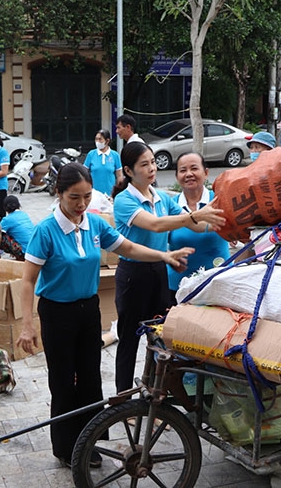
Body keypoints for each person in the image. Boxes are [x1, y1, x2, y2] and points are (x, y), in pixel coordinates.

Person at [16, 162, 194, 469]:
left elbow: (129, 248)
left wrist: (164, 255)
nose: (81, 204)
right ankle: (65, 447)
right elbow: (28, 280)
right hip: (57, 313)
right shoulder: (46, 231)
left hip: (88, 310)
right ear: (59, 194)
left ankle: (89, 442)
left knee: (90, 378)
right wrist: (27, 326)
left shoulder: (94, 224)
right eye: (74, 197)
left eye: (86, 196)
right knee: (62, 381)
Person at [112, 142, 225, 392]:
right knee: (130, 339)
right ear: (129, 171)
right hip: (133, 275)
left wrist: (220, 217)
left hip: (159, 272)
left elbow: (193, 226)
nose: (152, 168)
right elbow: (155, 225)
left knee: (161, 335)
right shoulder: (124, 201)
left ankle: (156, 392)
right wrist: (196, 215)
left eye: (153, 162)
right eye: (145, 164)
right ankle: (123, 398)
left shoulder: (161, 196)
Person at [167, 152, 232, 301]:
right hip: (177, 286)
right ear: (177, 176)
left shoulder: (220, 201)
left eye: (194, 168)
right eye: (183, 170)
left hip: (218, 282)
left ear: (206, 173)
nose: (189, 174)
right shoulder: (169, 206)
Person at [83, 129, 122, 195]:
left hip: (110, 193)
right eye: (96, 139)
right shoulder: (91, 154)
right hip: (94, 194)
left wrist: (119, 191)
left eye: (100, 139)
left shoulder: (115, 155)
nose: (97, 142)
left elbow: (119, 175)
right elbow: (84, 172)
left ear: (107, 141)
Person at [0, 195, 35, 260]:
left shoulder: (7, 219)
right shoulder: (24, 214)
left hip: (24, 251)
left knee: (0, 236)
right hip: (34, 249)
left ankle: (18, 256)